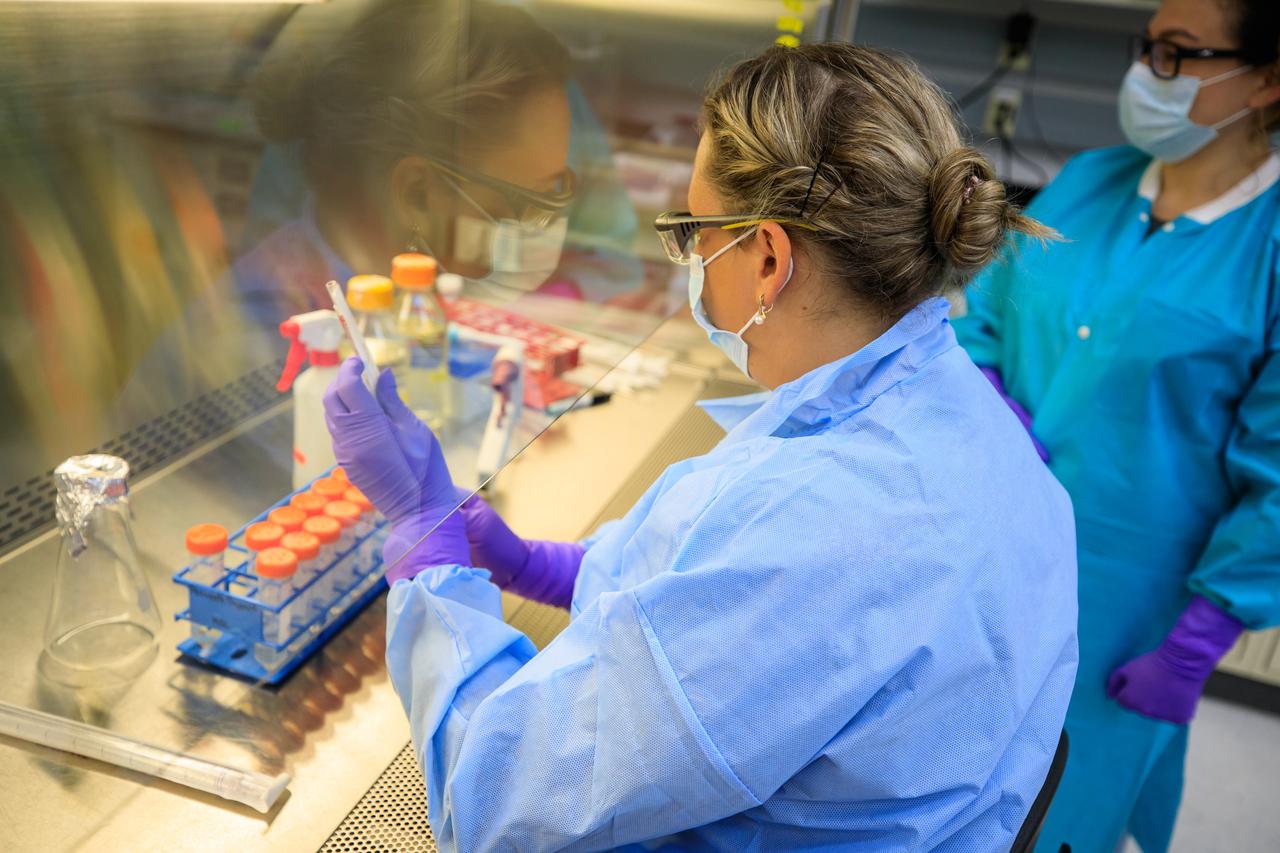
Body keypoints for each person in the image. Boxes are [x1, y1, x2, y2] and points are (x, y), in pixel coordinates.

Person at [327, 43, 1078, 851]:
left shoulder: (813, 535)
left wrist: (429, 563)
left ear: (767, 258)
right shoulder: (949, 407)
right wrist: (535, 564)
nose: (687, 258)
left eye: (692, 231)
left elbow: (494, 802)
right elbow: (714, 615)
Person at [952, 1, 1280, 850]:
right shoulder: (1089, 181)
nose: (1144, 75)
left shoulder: (1269, 250)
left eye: (1176, 55)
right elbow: (980, 319)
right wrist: (996, 406)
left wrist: (1197, 640)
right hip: (982, 553)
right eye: (1148, 47)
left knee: (1062, 806)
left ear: (1269, 80)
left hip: (1124, 610)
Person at [236, 0, 642, 330]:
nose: (540, 227)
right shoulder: (265, 324)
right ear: (416, 192)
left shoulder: (417, 289)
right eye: (523, 203)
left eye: (556, 190)